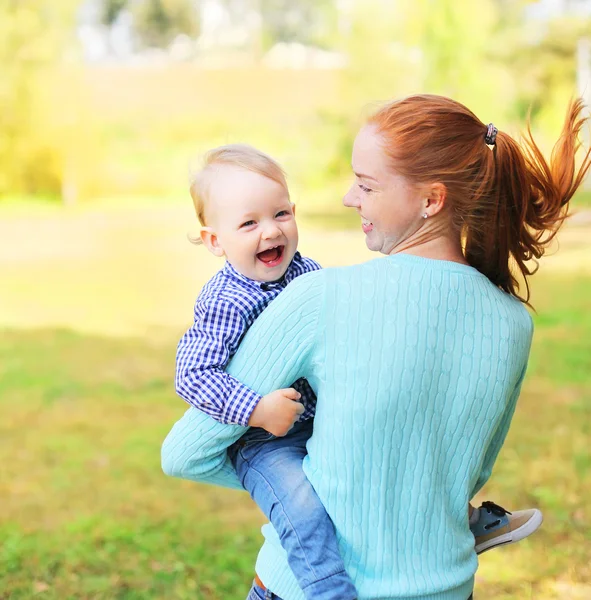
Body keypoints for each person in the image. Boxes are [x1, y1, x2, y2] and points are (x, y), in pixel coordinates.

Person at [163, 95, 589, 600]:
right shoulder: (514, 323)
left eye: (365, 184)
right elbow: (465, 474)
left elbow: (185, 453)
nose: (348, 198)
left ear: (431, 200)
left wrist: (313, 493)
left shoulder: (320, 297)